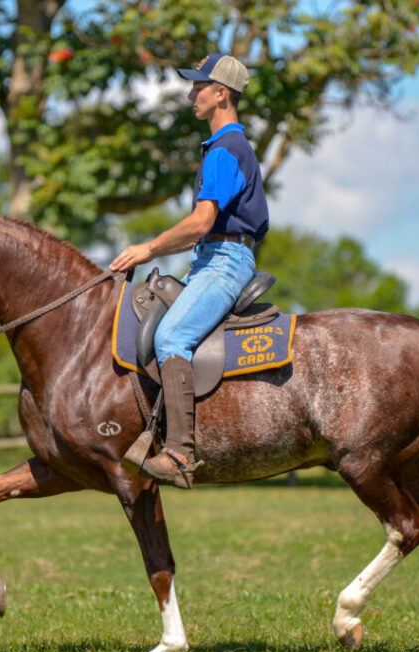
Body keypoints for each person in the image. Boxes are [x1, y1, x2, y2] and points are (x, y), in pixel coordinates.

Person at [111, 53, 269, 488]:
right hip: (210, 260)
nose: (190, 94)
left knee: (172, 336)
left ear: (221, 93)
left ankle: (179, 454)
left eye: (198, 87)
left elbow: (201, 223)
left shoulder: (225, 150)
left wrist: (148, 247)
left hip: (224, 261)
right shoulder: (223, 148)